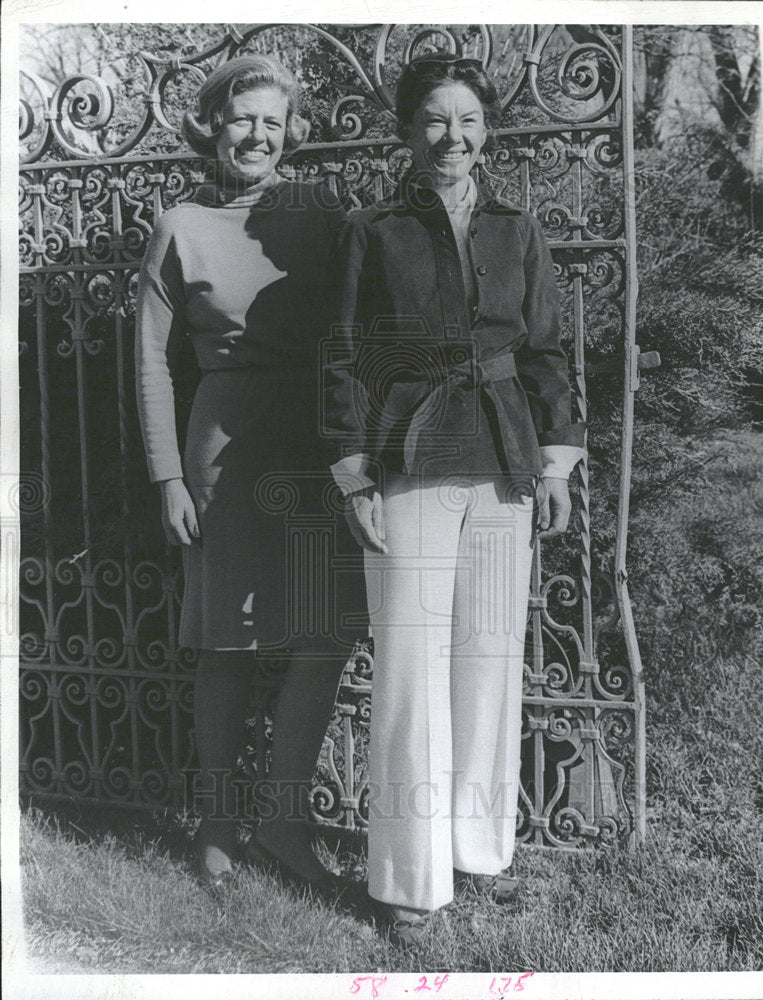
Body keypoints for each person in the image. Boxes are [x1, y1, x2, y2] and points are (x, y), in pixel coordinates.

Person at [325, 54, 586, 944]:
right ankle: (408, 879)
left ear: (487, 131)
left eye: (468, 119)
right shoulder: (373, 229)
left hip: (504, 462)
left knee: (489, 662)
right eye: (436, 119)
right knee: (409, 671)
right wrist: (353, 473)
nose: (453, 136)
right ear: (408, 129)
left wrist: (556, 465)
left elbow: (544, 351)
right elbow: (341, 355)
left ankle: (477, 852)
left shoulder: (517, 229)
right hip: (408, 463)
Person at [135, 54, 366, 891]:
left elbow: (363, 318)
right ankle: (218, 826)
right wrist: (168, 476)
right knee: (224, 642)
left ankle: (284, 825)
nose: (258, 136)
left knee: (322, 636)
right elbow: (152, 362)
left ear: (291, 132)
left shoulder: (323, 213)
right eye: (242, 119)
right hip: (222, 450)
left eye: (273, 121)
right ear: (212, 127)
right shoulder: (179, 225)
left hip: (316, 443)